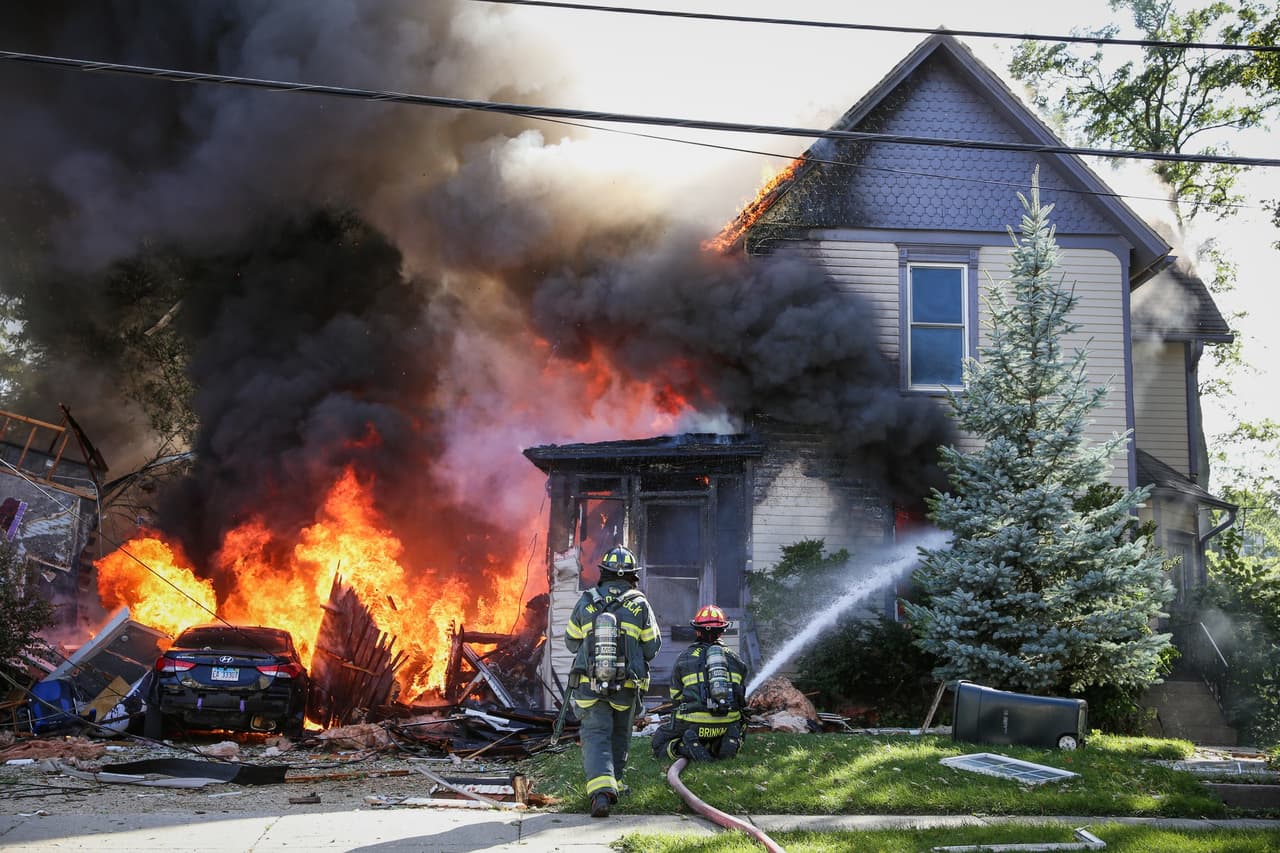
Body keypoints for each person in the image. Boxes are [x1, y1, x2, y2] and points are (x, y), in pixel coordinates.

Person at [564, 545, 661, 818]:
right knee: (620, 734)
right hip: (626, 686)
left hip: (589, 684)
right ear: (632, 576)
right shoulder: (639, 603)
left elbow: (571, 642)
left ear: (603, 573)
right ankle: (612, 784)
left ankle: (602, 792)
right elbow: (652, 647)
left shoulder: (586, 600)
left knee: (596, 735)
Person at [651, 604, 750, 764]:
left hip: (694, 724)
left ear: (696, 630)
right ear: (723, 631)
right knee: (738, 726)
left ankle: (684, 747)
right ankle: (725, 743)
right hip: (727, 722)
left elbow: (676, 697)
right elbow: (740, 697)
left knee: (659, 742)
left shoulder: (684, 658)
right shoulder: (736, 660)